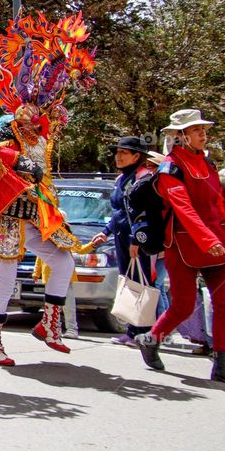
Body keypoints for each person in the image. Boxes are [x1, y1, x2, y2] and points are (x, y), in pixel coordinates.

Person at [0, 11, 96, 366]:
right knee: (7, 276)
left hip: (34, 215)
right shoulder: (4, 130)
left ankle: (48, 325)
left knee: (63, 261)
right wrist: (25, 166)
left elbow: (45, 177)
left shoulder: (42, 137)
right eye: (39, 106)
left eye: (49, 106)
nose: (44, 114)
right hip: (7, 215)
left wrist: (55, 208)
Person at [134, 109, 225, 382]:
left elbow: (217, 204)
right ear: (181, 136)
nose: (203, 134)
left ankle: (221, 364)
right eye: (197, 130)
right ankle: (151, 339)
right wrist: (207, 239)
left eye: (203, 130)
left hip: (216, 242)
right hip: (184, 245)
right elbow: (183, 208)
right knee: (183, 306)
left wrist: (217, 237)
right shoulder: (170, 168)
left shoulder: (207, 165)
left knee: (224, 302)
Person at [89, 136, 153, 345]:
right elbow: (118, 213)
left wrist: (137, 239)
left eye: (124, 153)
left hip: (138, 241)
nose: (118, 156)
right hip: (121, 237)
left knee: (141, 283)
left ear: (137, 156)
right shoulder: (120, 180)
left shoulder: (145, 179)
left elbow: (144, 213)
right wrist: (106, 232)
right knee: (127, 281)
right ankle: (133, 331)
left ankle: (145, 331)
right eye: (117, 153)